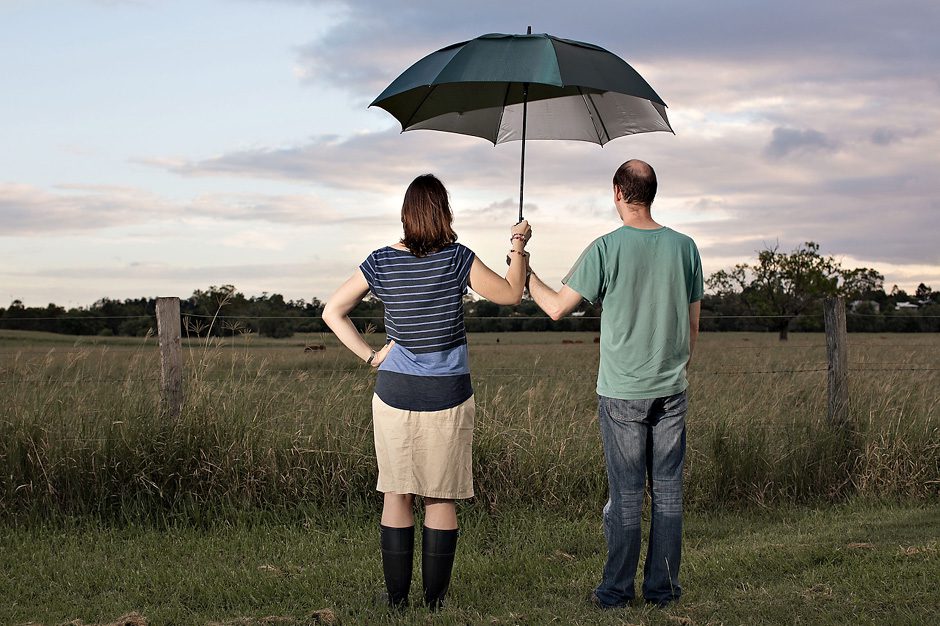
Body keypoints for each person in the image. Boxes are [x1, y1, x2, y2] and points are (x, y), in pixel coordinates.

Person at [322, 174, 531, 610]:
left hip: (393, 393)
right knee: (440, 496)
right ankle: (435, 603)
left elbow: (332, 311)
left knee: (396, 492)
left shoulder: (381, 261)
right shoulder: (457, 258)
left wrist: (371, 356)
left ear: (406, 214)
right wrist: (518, 246)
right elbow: (512, 294)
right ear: (444, 212)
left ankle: (397, 601)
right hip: (448, 396)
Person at [527, 159, 702, 608]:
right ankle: (663, 591)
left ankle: (616, 592)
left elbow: (555, 308)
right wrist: (672, 368)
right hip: (672, 388)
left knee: (626, 496)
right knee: (668, 493)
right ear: (652, 193)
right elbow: (692, 328)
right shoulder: (686, 248)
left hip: (623, 391)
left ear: (617, 193)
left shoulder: (605, 248)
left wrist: (523, 270)